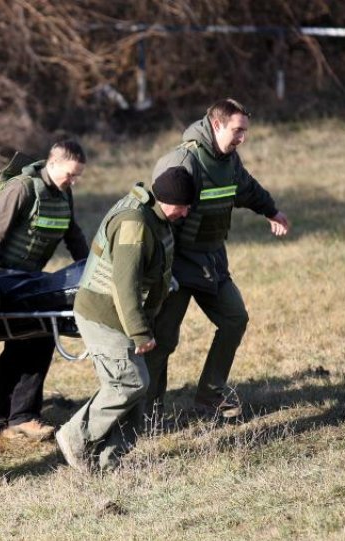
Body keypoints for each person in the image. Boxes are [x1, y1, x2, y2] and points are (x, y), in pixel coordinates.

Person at [144, 98, 290, 418]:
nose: (242, 138)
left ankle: (210, 396)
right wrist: (158, 269)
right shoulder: (183, 162)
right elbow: (155, 217)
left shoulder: (230, 162)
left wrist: (271, 211)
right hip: (177, 264)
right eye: (237, 131)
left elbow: (247, 189)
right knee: (163, 339)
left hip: (212, 261)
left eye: (245, 132)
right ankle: (148, 409)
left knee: (235, 319)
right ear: (217, 124)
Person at [55, 168, 194, 472]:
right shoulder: (134, 223)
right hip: (104, 314)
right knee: (129, 383)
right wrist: (140, 332)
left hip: (123, 314)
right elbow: (124, 284)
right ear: (165, 199)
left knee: (137, 387)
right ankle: (75, 436)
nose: (185, 213)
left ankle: (109, 460)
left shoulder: (155, 217)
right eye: (182, 206)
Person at [0, 140, 90, 441]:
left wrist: (90, 270)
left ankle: (14, 417)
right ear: (51, 164)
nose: (73, 181)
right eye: (70, 174)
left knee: (36, 339)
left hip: (30, 282)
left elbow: (74, 235)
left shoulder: (64, 193)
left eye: (77, 176)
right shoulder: (22, 189)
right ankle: (4, 418)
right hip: (1, 280)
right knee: (30, 340)